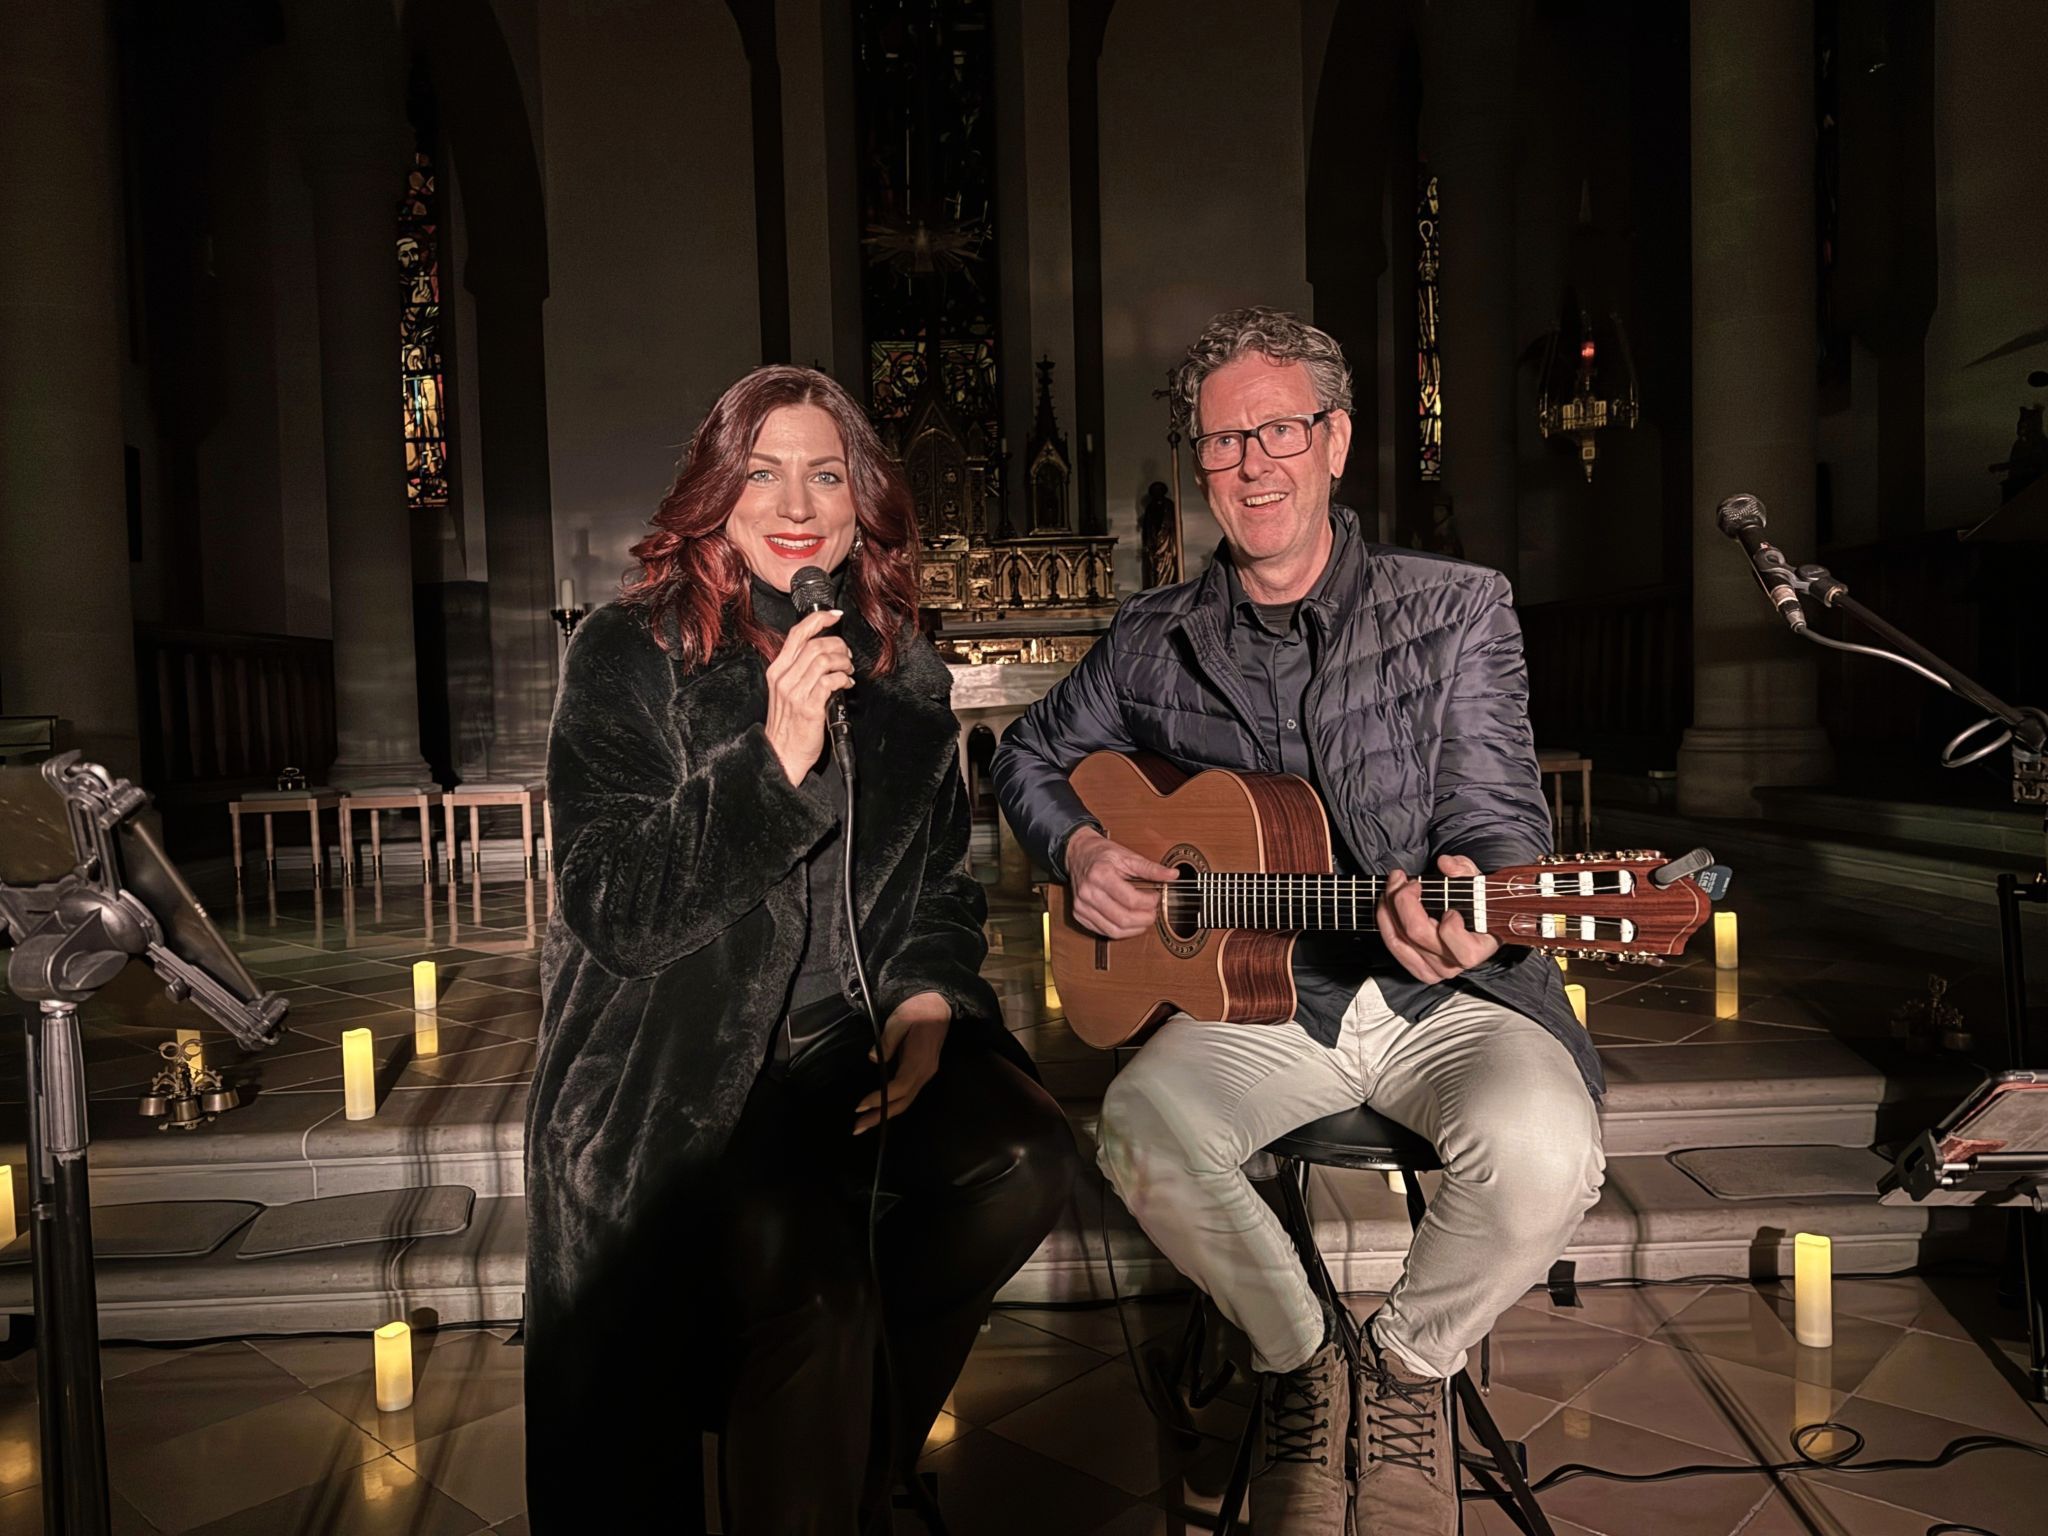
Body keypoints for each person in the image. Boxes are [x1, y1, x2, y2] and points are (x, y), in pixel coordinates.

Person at [993, 309, 1604, 1535]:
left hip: (1447, 998)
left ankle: (1405, 1372)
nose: (1249, 464)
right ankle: (1302, 1360)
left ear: (1333, 439)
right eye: (1221, 443)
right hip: (1254, 1002)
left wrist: (1480, 906)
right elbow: (1026, 754)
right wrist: (1080, 845)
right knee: (1138, 1126)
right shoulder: (1151, 637)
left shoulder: (1454, 610)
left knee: (1543, 1149)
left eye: (1274, 430)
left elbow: (1497, 820)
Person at [527, 365, 1077, 1534]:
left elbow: (934, 881)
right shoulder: (634, 654)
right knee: (816, 1297)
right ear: (715, 497)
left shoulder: (903, 671)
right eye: (762, 471)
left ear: (860, 500)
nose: (795, 500)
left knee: (1024, 1153)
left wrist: (927, 996)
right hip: (681, 1080)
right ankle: (823, 1464)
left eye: (824, 473)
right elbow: (611, 904)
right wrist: (772, 757)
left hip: (846, 1048)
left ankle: (849, 1465)